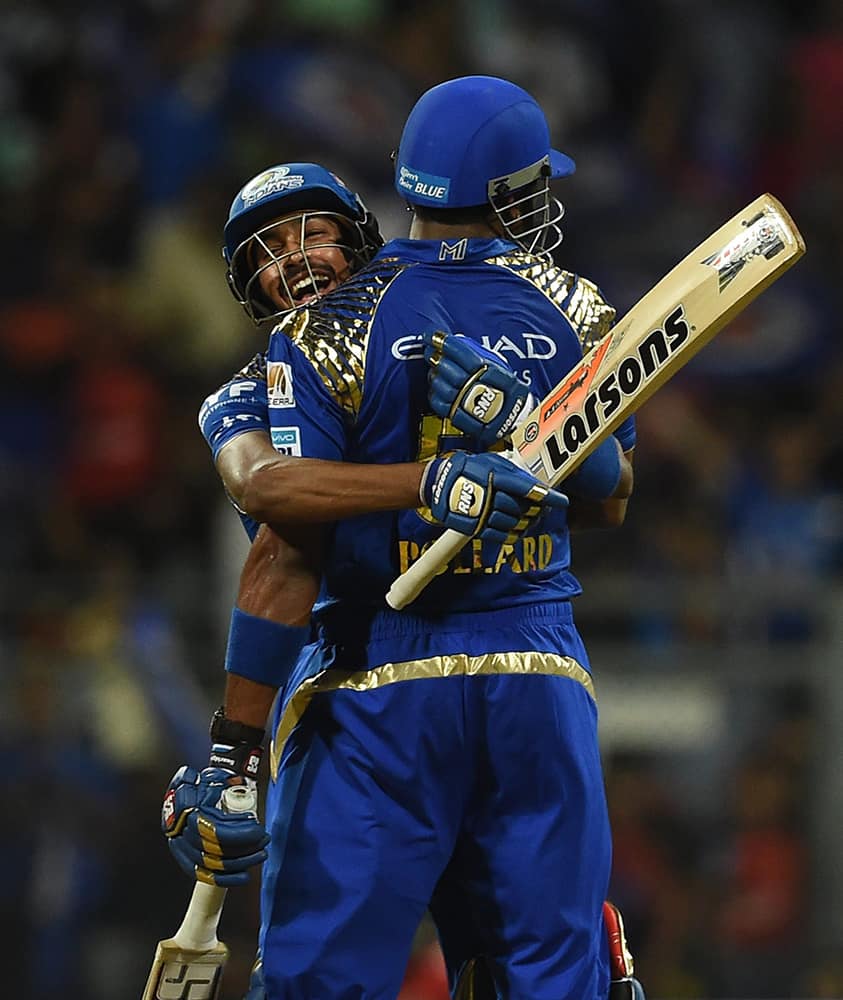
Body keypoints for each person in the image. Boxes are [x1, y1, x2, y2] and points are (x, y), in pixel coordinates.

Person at [163, 73, 644, 994]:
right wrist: (505, 442)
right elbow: (613, 494)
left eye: (312, 234)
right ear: (510, 190)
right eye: (273, 248)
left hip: (370, 682)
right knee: (549, 972)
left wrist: (235, 749)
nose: (297, 263)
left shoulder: (321, 332)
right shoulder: (578, 304)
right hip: (538, 674)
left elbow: (281, 545)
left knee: (322, 981)